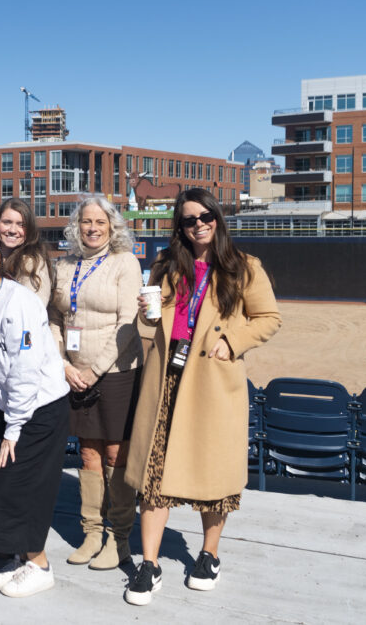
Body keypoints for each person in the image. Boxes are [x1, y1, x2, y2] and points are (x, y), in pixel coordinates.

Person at [123, 188, 281, 606]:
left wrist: (233, 340)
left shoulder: (243, 267)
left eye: (206, 216)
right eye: (190, 219)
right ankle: (150, 563)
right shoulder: (166, 265)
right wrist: (146, 313)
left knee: (214, 475)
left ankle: (209, 554)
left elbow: (269, 318)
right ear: (181, 226)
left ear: (218, 218)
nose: (199, 225)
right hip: (166, 381)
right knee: (153, 475)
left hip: (211, 381)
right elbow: (151, 322)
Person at [0, 229, 70, 598]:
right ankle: (15, 557)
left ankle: (39, 564)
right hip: (9, 408)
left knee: (22, 487)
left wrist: (14, 428)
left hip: (39, 407)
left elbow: (24, 370)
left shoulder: (18, 302)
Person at [48, 194, 143, 570]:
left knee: (115, 454)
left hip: (116, 372)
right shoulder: (65, 264)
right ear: (76, 226)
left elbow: (129, 324)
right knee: (87, 454)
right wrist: (63, 364)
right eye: (86, 222)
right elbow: (54, 318)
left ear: (112, 226)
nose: (92, 228)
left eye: (100, 222)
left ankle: (119, 539)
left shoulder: (125, 263)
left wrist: (93, 370)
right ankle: (91, 532)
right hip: (74, 374)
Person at [0, 197, 54, 307]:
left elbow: (33, 309)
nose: (13, 230)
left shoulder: (33, 263)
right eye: (7, 222)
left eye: (21, 225)